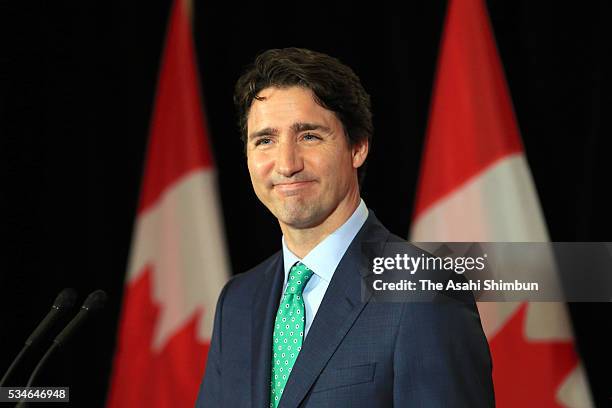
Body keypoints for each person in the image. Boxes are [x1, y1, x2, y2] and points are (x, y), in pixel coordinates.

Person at [196, 48, 494, 407]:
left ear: (358, 147)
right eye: (265, 140)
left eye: (309, 136)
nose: (287, 164)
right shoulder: (237, 302)